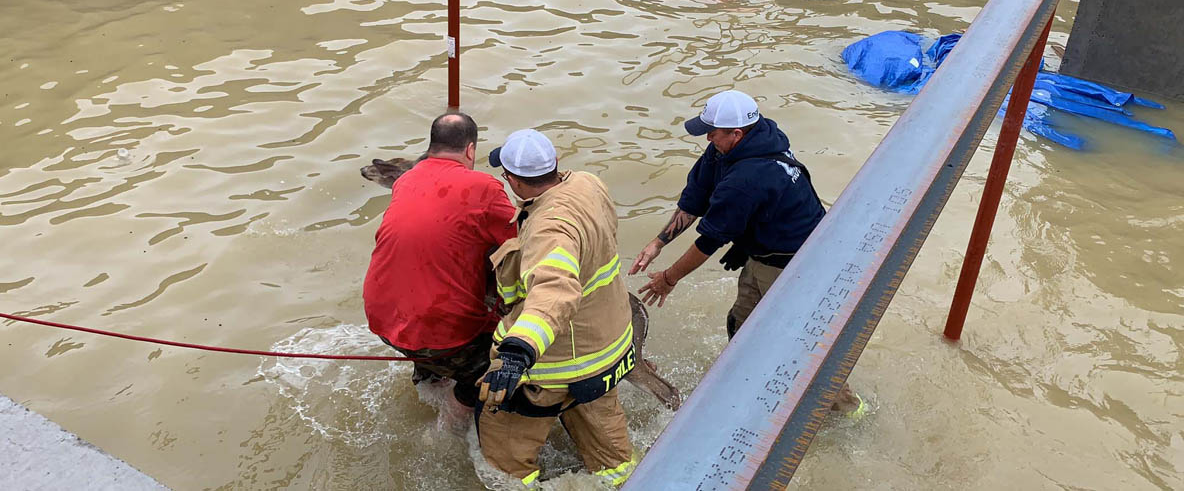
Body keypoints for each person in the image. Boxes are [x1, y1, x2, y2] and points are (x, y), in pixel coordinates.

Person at [630, 89, 859, 411]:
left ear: (736, 134)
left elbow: (708, 242)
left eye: (712, 132)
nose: (708, 138)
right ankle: (753, 383)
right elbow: (695, 199)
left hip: (798, 263)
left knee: (803, 347)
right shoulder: (741, 142)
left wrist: (669, 278)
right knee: (742, 323)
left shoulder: (748, 178)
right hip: (763, 252)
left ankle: (848, 410)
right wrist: (658, 243)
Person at [475, 129, 638, 488]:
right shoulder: (588, 184)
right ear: (556, 164)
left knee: (504, 460)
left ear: (513, 180)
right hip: (607, 349)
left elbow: (555, 290)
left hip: (556, 364)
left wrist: (518, 351)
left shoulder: (549, 229)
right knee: (611, 454)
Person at [362, 112, 517, 408]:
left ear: (432, 145)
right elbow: (522, 240)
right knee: (500, 370)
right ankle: (450, 422)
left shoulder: (406, 180)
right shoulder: (484, 186)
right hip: (437, 332)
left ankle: (429, 377)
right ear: (470, 150)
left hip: (383, 319)